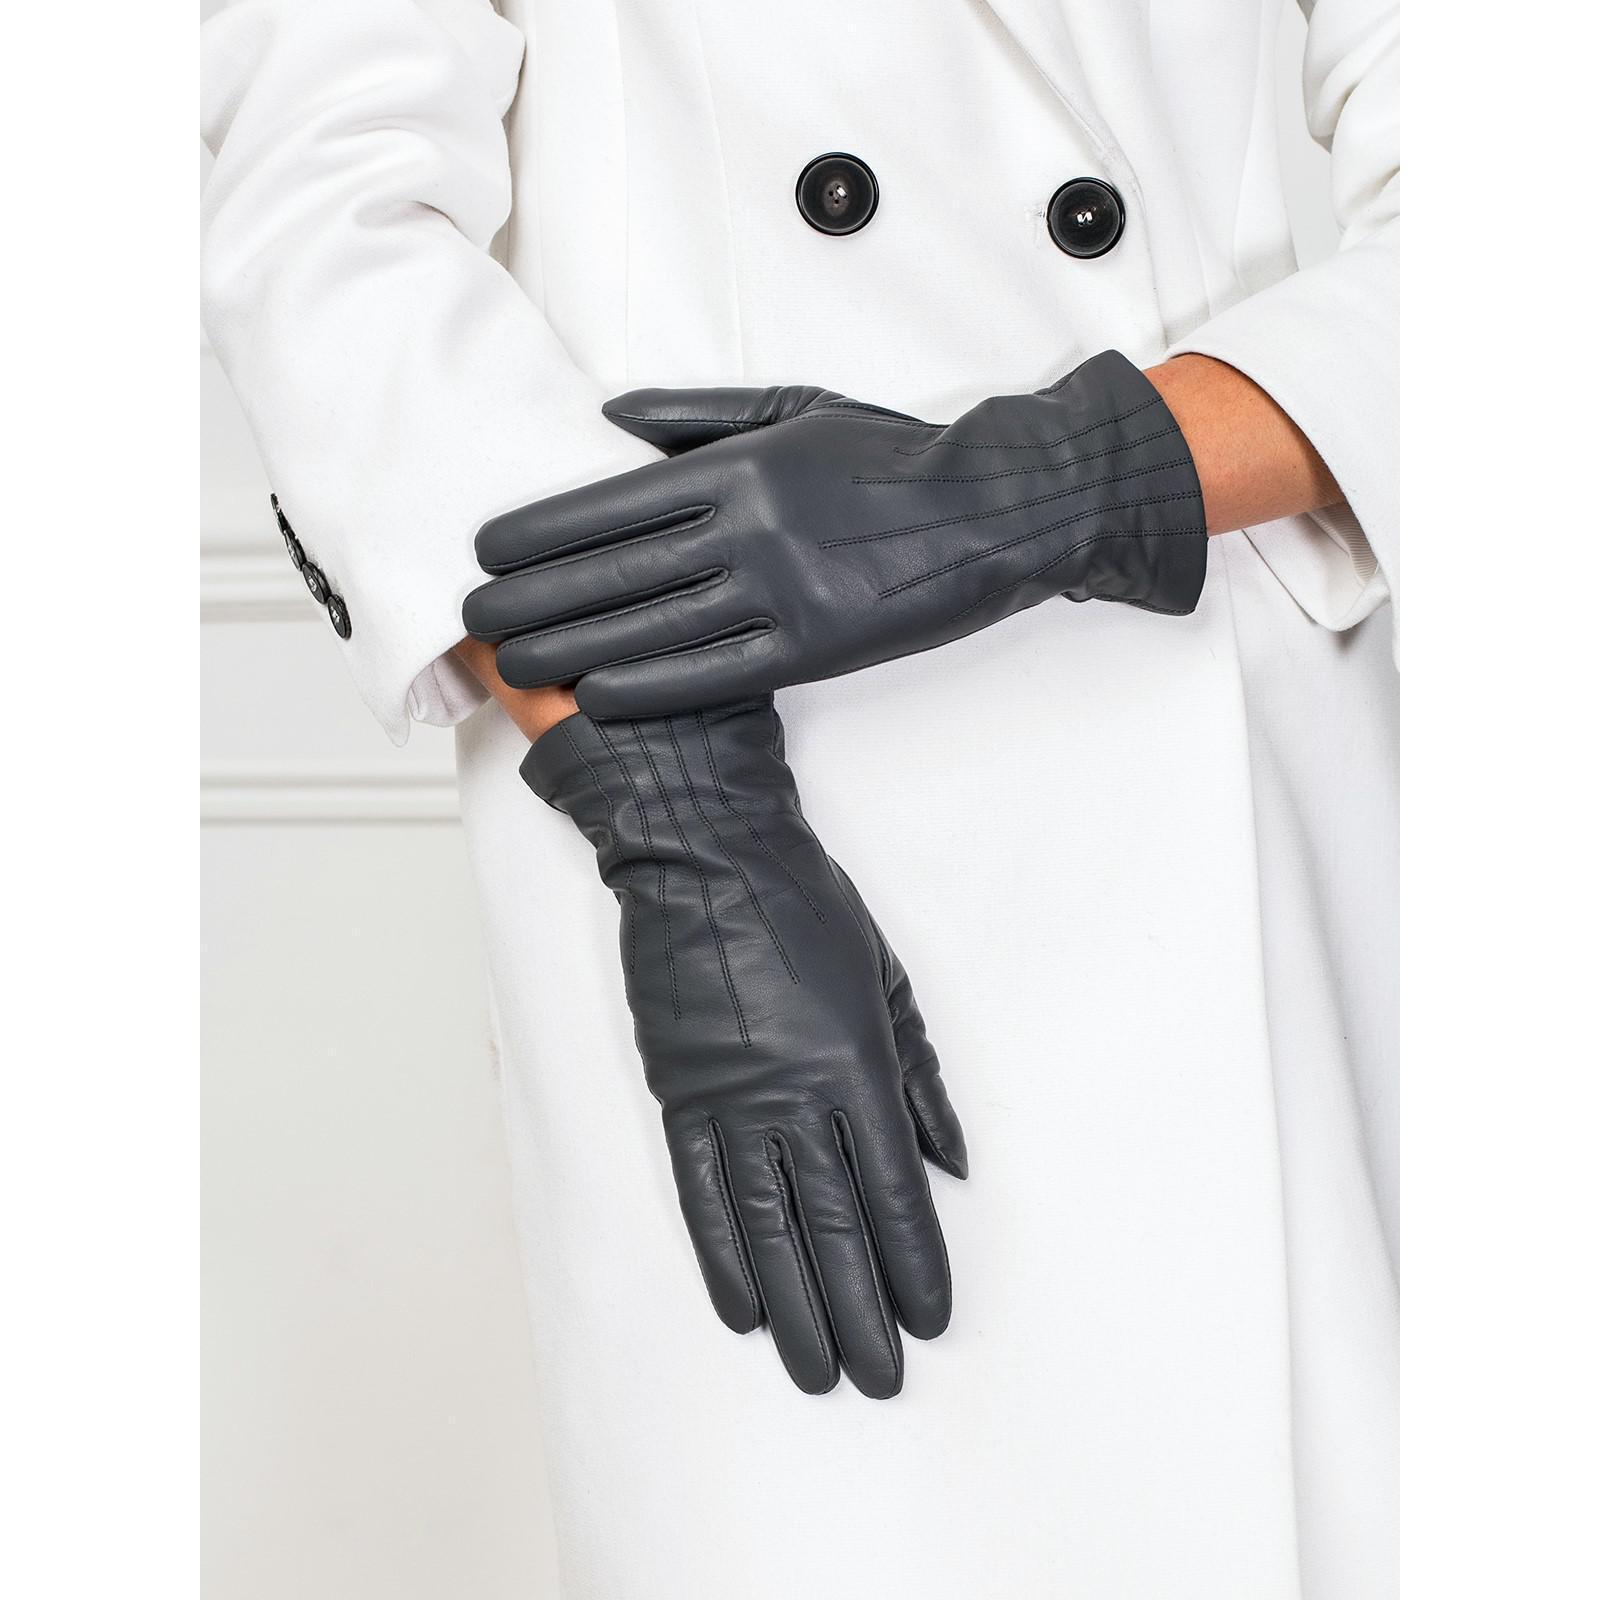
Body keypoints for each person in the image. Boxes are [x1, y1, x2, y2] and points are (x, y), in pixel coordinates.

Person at [201, 2, 1398, 1595]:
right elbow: (330, 232)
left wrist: (1065, 481)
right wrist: (680, 813)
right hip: (721, 747)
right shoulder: (690, 813)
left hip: (1237, 752)